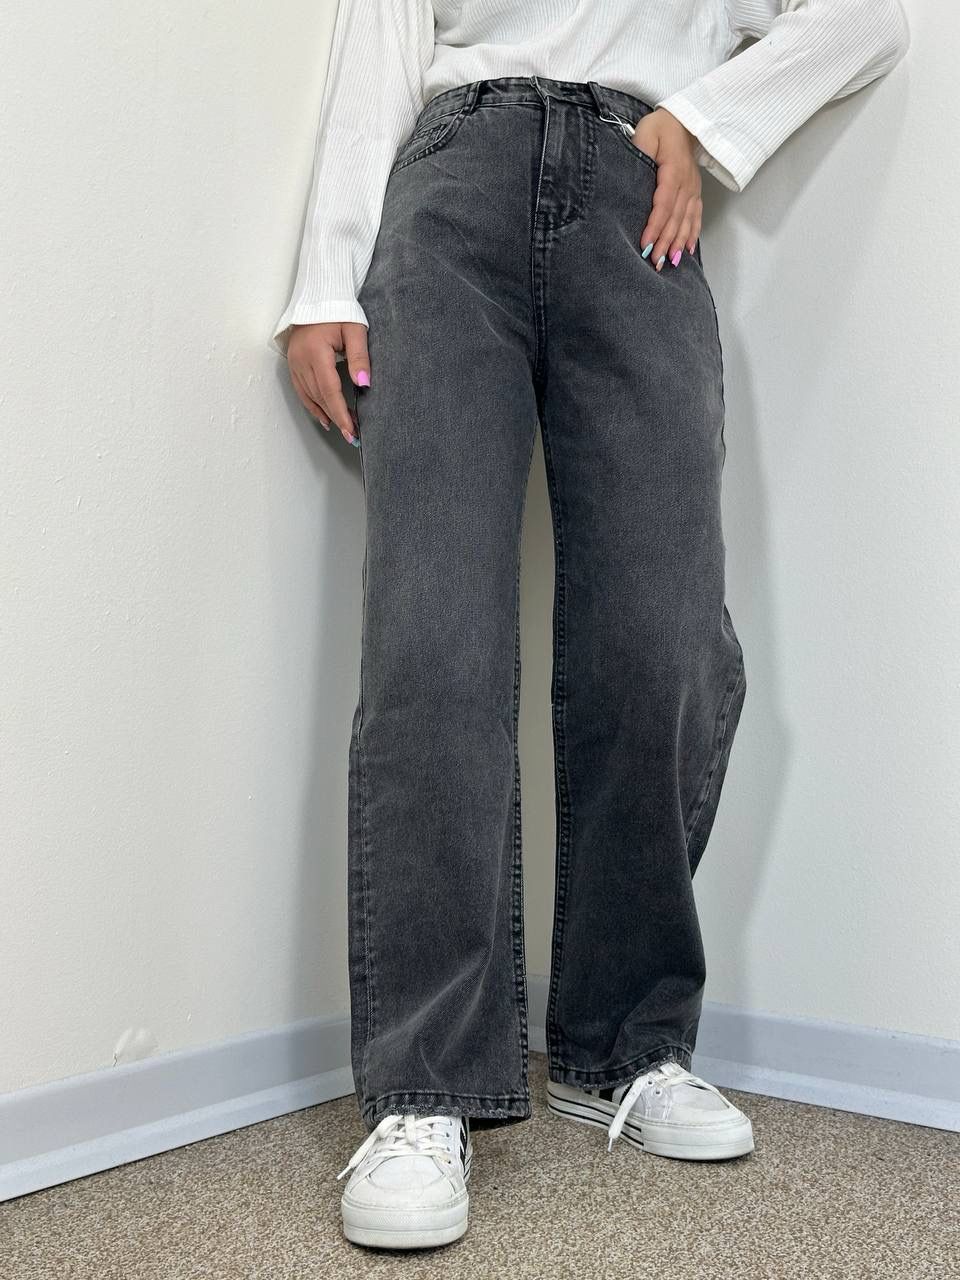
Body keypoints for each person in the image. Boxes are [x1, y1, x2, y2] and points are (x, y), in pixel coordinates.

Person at [272, 0, 909, 1252]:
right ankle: (425, 1085)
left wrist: (706, 123)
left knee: (663, 638)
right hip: (451, 192)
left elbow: (869, 21)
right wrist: (321, 278)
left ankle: (621, 1043)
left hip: (639, 202)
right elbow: (379, 45)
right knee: (433, 639)